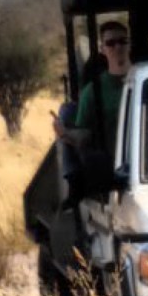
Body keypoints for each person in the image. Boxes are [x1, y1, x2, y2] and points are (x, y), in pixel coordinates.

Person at [52, 18, 131, 195]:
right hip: (115, 171)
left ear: (129, 44)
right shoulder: (93, 91)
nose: (118, 47)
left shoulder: (146, 80)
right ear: (102, 49)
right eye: (111, 43)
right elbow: (85, 136)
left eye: (122, 41)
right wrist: (64, 134)